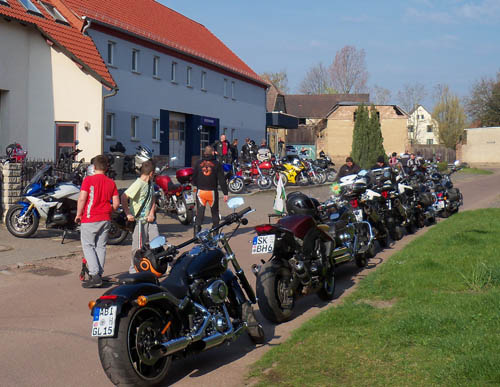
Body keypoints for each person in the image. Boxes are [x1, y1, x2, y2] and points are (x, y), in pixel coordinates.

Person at [75, 155, 120, 288]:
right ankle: (99, 274)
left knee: (88, 246)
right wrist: (108, 210)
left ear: (93, 167)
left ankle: (94, 275)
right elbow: (116, 204)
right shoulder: (111, 182)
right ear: (106, 168)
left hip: (90, 218)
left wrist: (78, 214)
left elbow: (82, 199)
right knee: (101, 247)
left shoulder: (88, 180)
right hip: (105, 219)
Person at [121, 159, 159, 274]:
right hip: (138, 221)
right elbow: (124, 196)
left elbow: (152, 198)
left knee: (157, 243)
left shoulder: (150, 183)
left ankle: (157, 265)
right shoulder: (138, 184)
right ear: (151, 173)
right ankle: (134, 269)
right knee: (138, 247)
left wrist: (152, 212)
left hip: (149, 220)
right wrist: (128, 213)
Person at [192, 145, 229, 234]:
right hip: (212, 192)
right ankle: (215, 233)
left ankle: (196, 235)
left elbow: (194, 178)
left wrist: (197, 185)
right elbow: (221, 179)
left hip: (201, 191)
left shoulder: (198, 163)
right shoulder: (217, 164)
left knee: (200, 213)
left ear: (204, 153)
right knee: (215, 213)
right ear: (213, 152)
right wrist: (225, 193)